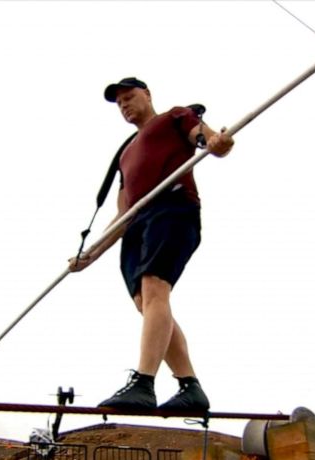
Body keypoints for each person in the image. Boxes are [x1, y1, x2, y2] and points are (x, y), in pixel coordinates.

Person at [69, 77, 234, 411]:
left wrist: (218, 143)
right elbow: (122, 212)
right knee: (146, 302)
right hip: (137, 227)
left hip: (171, 208)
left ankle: (144, 383)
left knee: (155, 287)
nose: (125, 105)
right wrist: (92, 253)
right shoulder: (125, 153)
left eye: (129, 97)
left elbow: (207, 137)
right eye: (119, 103)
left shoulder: (173, 117)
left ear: (147, 94)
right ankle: (190, 386)